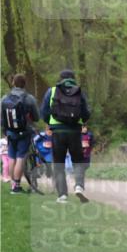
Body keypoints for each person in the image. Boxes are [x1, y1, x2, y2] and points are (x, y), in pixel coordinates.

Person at [40, 69, 91, 203]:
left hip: (57, 132)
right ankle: (79, 186)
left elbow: (44, 112)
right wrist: (80, 122)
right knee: (78, 160)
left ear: (60, 78)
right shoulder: (80, 92)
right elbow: (86, 113)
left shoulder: (51, 91)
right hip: (75, 131)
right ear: (73, 78)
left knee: (59, 162)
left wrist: (50, 123)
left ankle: (62, 195)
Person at [2, 74, 41, 194]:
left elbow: (1, 117)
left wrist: (5, 130)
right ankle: (17, 185)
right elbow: (36, 117)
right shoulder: (29, 98)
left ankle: (13, 186)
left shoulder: (4, 98)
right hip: (24, 132)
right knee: (20, 157)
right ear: (25, 84)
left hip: (10, 133)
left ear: (13, 83)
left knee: (12, 157)